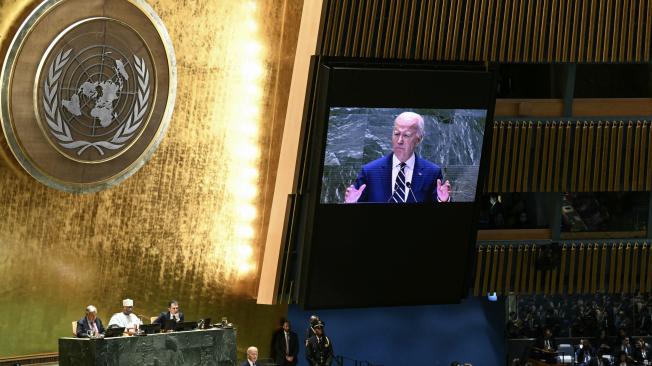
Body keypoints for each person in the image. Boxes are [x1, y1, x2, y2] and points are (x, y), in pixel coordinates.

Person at [344, 111, 451, 203]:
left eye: (406, 135)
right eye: (396, 134)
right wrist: (350, 203)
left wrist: (443, 200)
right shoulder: (370, 172)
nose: (399, 141)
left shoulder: (432, 173)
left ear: (419, 139)